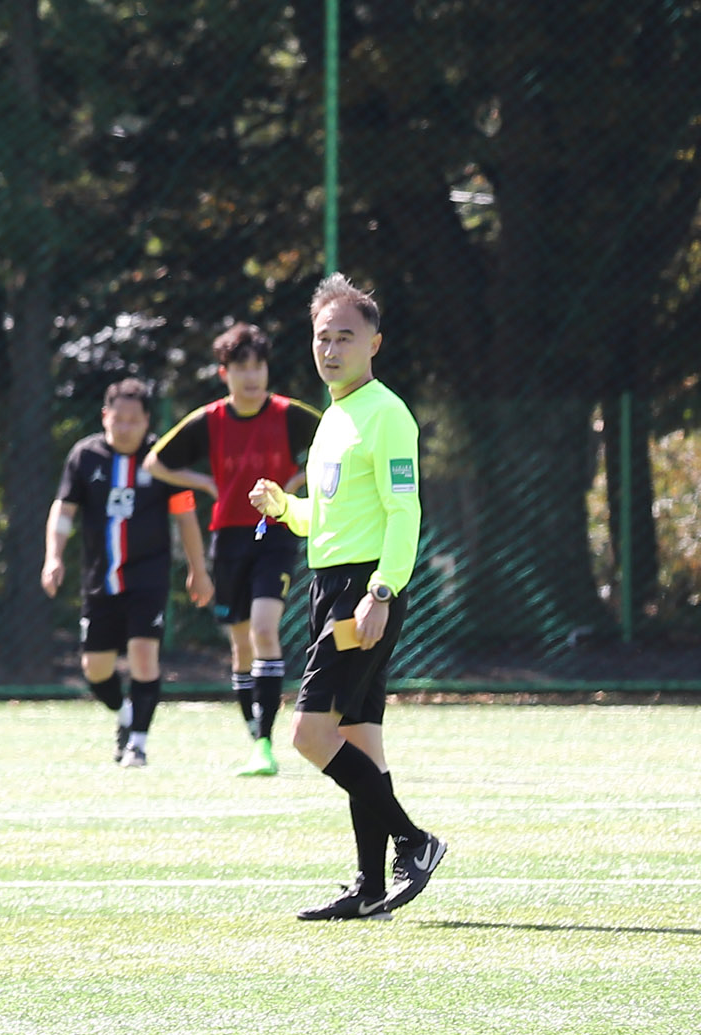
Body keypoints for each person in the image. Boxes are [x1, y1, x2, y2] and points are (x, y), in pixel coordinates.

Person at [249, 274, 446, 921]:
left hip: (360, 593)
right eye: (322, 337)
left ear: (375, 343)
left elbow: (403, 511)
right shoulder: (335, 417)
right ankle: (369, 887)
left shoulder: (387, 414)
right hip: (332, 585)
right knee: (359, 738)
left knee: (308, 732)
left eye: (345, 337)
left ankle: (415, 842)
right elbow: (327, 520)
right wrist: (284, 508)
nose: (331, 349)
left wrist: (382, 591)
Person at [145, 324, 322, 776]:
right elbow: (156, 463)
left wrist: (296, 484)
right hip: (228, 538)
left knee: (266, 628)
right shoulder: (209, 420)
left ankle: (265, 743)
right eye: (241, 368)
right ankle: (254, 734)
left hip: (275, 531)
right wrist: (204, 481)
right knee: (241, 644)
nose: (251, 376)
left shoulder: (289, 414)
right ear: (224, 373)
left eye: (258, 366)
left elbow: (337, 446)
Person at [42, 378, 211, 768]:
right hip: (99, 578)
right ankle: (125, 713)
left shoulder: (162, 460)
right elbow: (64, 511)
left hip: (147, 577)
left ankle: (137, 742)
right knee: (95, 670)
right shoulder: (84, 457)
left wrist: (198, 571)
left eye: (134, 421)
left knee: (143, 656)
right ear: (105, 416)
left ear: (147, 421)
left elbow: (186, 517)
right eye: (118, 419)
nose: (125, 428)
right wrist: (54, 557)